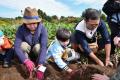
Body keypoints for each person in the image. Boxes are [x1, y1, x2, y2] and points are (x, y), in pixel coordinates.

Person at [14, 7, 48, 80]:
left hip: (36, 53)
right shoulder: (21, 29)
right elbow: (16, 46)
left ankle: (37, 64)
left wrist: (41, 63)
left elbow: (44, 46)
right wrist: (25, 60)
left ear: (38, 22)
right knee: (22, 45)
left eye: (34, 23)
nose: (32, 26)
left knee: (38, 46)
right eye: (29, 24)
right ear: (25, 23)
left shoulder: (42, 29)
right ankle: (29, 66)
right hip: (26, 53)